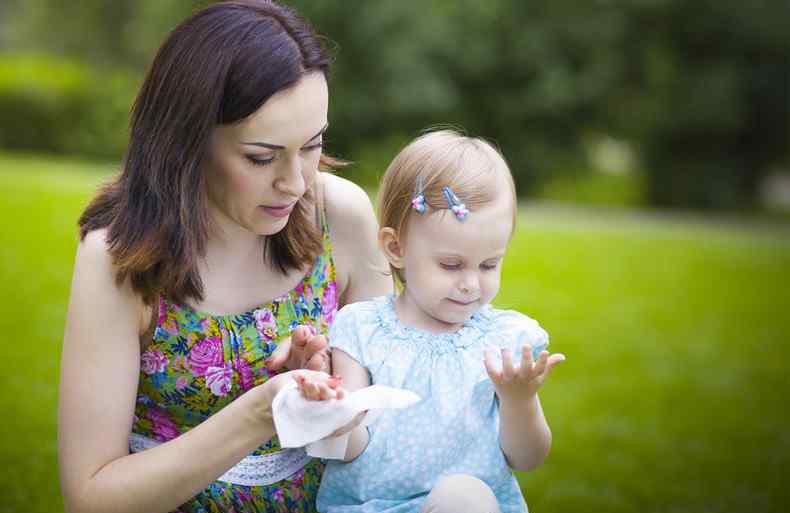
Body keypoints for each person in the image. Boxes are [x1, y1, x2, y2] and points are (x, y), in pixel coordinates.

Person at [57, 2, 391, 512]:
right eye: (261, 156)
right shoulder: (119, 256)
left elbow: (387, 427)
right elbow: (91, 497)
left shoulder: (339, 216)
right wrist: (261, 412)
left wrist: (329, 397)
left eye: (312, 145)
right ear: (186, 140)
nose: (296, 183)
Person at [294, 130, 566, 513]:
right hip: (373, 505)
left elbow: (527, 458)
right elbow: (347, 451)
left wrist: (519, 400)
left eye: (489, 264)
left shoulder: (503, 341)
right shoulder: (362, 329)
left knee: (462, 496)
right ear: (396, 248)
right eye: (451, 265)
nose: (471, 283)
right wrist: (334, 413)